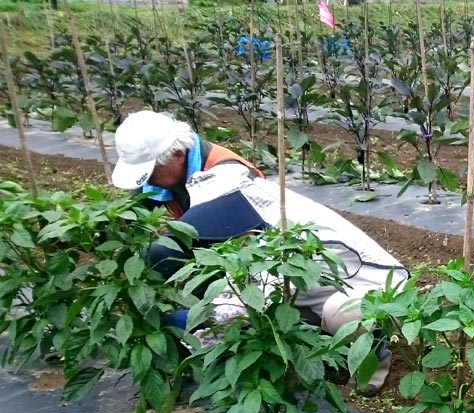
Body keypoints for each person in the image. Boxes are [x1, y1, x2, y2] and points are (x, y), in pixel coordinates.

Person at [172, 165, 409, 393]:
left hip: (377, 292)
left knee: (342, 312)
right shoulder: (250, 234)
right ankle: (315, 353)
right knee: (280, 315)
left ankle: (371, 364)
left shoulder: (285, 228)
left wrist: (188, 322)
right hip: (315, 293)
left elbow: (248, 305)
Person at [110, 110, 263, 219]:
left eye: (150, 173)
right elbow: (129, 212)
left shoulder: (231, 178)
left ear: (178, 155)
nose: (147, 180)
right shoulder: (166, 169)